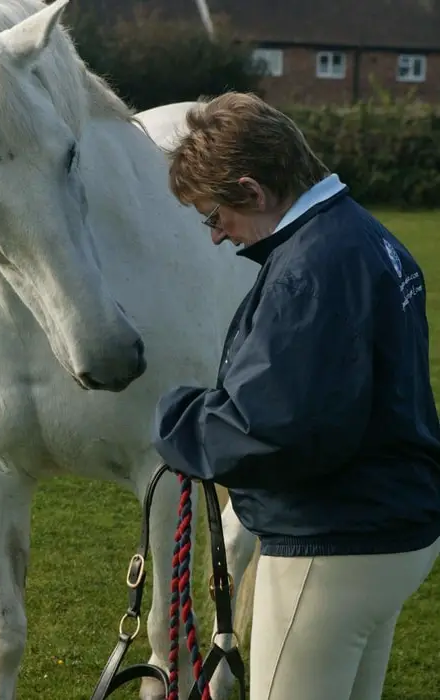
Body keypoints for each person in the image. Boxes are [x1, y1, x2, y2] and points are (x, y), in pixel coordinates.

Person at [151, 91, 440, 700]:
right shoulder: (363, 234)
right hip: (391, 528)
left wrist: (178, 420)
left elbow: (275, 429)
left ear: (253, 192)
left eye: (214, 216)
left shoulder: (310, 269)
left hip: (334, 544)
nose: (215, 237)